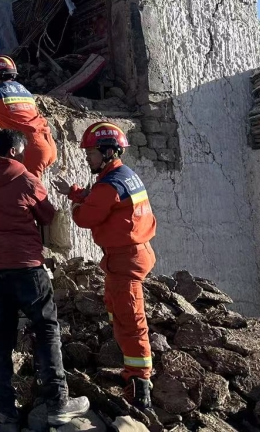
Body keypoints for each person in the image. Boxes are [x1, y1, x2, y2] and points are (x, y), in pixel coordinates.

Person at [0, 128, 90, 426]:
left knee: (3, 334)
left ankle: (3, 405)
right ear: (12, 152)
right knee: (47, 328)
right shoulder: (25, 179)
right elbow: (48, 217)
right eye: (22, 151)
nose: (25, 156)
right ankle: (58, 402)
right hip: (27, 267)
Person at [53, 122, 157, 409]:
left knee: (131, 320)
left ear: (109, 151)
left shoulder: (110, 184)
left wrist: (73, 206)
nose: (88, 157)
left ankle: (139, 384)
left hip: (126, 259)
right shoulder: (121, 176)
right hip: (129, 254)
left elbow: (86, 217)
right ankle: (128, 362)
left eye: (92, 153)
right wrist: (74, 192)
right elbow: (101, 200)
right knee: (117, 308)